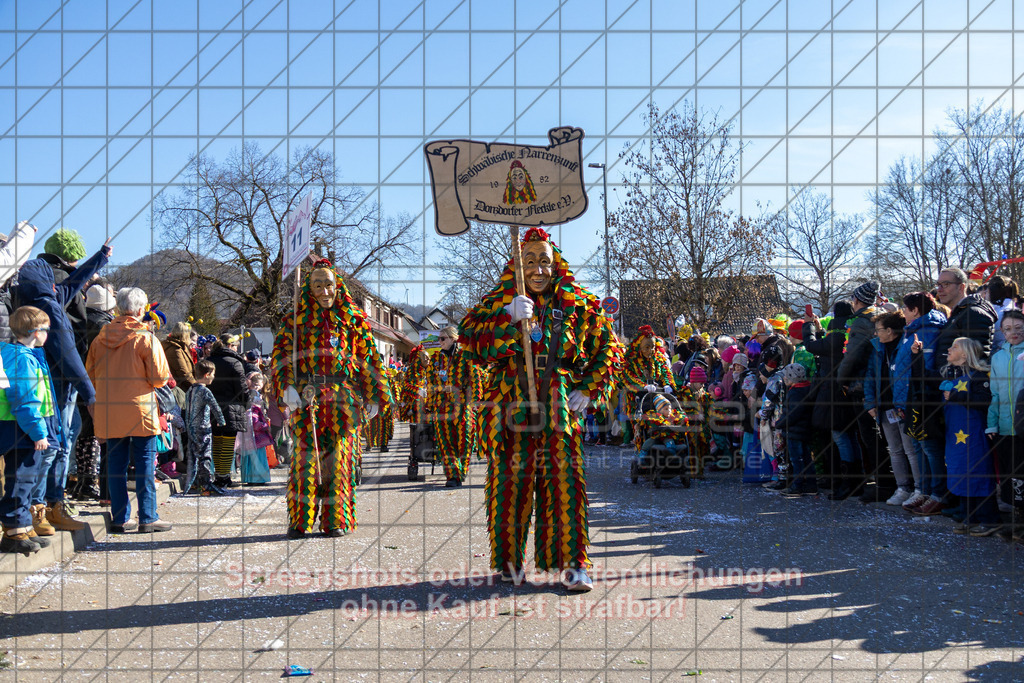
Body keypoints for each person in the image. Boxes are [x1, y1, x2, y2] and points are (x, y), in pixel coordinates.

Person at [459, 227, 622, 591]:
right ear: (517, 266)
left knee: (565, 485)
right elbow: (468, 341)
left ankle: (574, 564)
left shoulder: (577, 304)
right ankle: (508, 563)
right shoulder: (497, 301)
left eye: (544, 262)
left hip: (559, 410)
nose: (537, 270)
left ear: (556, 265)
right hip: (509, 409)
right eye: (529, 261)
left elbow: (610, 350)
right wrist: (506, 316)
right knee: (509, 485)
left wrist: (589, 389)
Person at [269, 258, 390, 539]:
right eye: (318, 285)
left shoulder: (354, 319)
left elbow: (369, 359)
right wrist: (287, 387)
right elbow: (282, 356)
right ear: (309, 288)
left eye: (329, 285)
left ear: (338, 287)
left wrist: (373, 395)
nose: (324, 292)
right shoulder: (295, 319)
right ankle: (300, 520)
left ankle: (335, 520)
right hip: (307, 397)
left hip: (342, 401)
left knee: (339, 462)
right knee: (305, 462)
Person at [14, 239, 111, 531]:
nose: (61, 285)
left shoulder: (50, 294)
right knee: (50, 447)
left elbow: (69, 285)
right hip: (51, 385)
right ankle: (36, 509)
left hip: (60, 384)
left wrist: (100, 257)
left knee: (61, 444)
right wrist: (90, 394)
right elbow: (67, 348)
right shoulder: (48, 308)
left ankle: (51, 506)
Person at [86, 287, 172, 533]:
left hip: (108, 409)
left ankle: (120, 518)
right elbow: (159, 378)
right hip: (139, 410)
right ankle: (148, 516)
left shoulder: (99, 339)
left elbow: (90, 376)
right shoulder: (145, 338)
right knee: (145, 463)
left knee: (115, 464)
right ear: (139, 310)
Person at [0, 306, 57, 554]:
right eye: (46, 330)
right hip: (22, 427)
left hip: (13, 424)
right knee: (22, 478)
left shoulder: (10, 353)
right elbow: (24, 399)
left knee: (19, 478)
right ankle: (14, 530)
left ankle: (20, 526)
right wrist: (39, 432)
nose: (48, 334)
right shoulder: (24, 358)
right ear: (36, 332)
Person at [930, 337, 1001, 535]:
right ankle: (970, 518)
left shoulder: (979, 376)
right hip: (955, 436)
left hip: (975, 435)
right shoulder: (950, 373)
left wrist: (956, 395)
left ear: (965, 354)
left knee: (978, 474)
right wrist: (916, 355)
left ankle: (990, 520)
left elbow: (983, 401)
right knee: (960, 473)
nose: (949, 349)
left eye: (954, 346)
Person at [835, 280, 892, 503]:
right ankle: (887, 482)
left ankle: (884, 484)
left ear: (857, 301)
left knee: (871, 437)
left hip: (862, 384)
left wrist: (842, 379)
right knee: (880, 435)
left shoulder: (861, 322)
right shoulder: (878, 317)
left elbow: (852, 355)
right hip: (879, 382)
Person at [894, 292, 948, 512]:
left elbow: (922, 368)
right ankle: (923, 491)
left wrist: (914, 397)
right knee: (919, 448)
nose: (903, 313)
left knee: (930, 448)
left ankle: (938, 494)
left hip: (922, 398)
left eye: (906, 309)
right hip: (909, 398)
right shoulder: (912, 330)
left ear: (915, 310)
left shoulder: (928, 330)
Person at [864, 310, 920, 506]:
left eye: (878, 329)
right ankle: (902, 488)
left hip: (902, 407)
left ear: (890, 330)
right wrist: (870, 402)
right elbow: (870, 376)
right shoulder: (877, 348)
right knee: (895, 450)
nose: (875, 333)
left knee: (911, 449)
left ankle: (919, 489)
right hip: (884, 407)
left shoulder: (906, 345)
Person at [986, 308, 1024, 540]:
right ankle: (1018, 520)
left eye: (1019, 328)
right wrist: (992, 424)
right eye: (1008, 329)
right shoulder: (998, 358)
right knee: (1011, 474)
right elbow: (995, 394)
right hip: (1004, 426)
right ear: (1002, 331)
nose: (1014, 333)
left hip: (1023, 425)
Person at [208, 334, 248, 488]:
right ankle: (224, 477)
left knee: (217, 442)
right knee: (228, 443)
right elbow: (241, 389)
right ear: (231, 346)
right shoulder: (235, 363)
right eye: (236, 345)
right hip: (231, 408)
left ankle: (219, 475)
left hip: (212, 408)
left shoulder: (209, 361)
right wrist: (247, 403)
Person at [182, 360, 226, 496]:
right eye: (213, 374)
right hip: (203, 428)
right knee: (205, 456)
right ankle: (206, 485)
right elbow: (215, 407)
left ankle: (194, 483)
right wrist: (221, 421)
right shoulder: (205, 391)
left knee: (194, 455)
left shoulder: (190, 390)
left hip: (191, 427)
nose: (214, 377)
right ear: (207, 375)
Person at [777, 363, 816, 497]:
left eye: (786, 377)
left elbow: (792, 414)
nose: (784, 379)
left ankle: (797, 486)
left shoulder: (795, 392)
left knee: (797, 460)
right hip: (805, 430)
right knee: (806, 458)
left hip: (795, 431)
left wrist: (779, 423)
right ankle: (811, 485)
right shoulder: (807, 388)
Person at [237, 372, 272, 486]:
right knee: (257, 452)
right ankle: (258, 478)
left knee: (249, 451)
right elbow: (255, 414)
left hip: (247, 425)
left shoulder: (247, 393)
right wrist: (264, 425)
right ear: (258, 384)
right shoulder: (255, 395)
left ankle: (249, 477)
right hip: (254, 428)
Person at [162, 321, 197, 392]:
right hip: (180, 390)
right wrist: (197, 387)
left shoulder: (178, 347)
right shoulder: (175, 350)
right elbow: (184, 373)